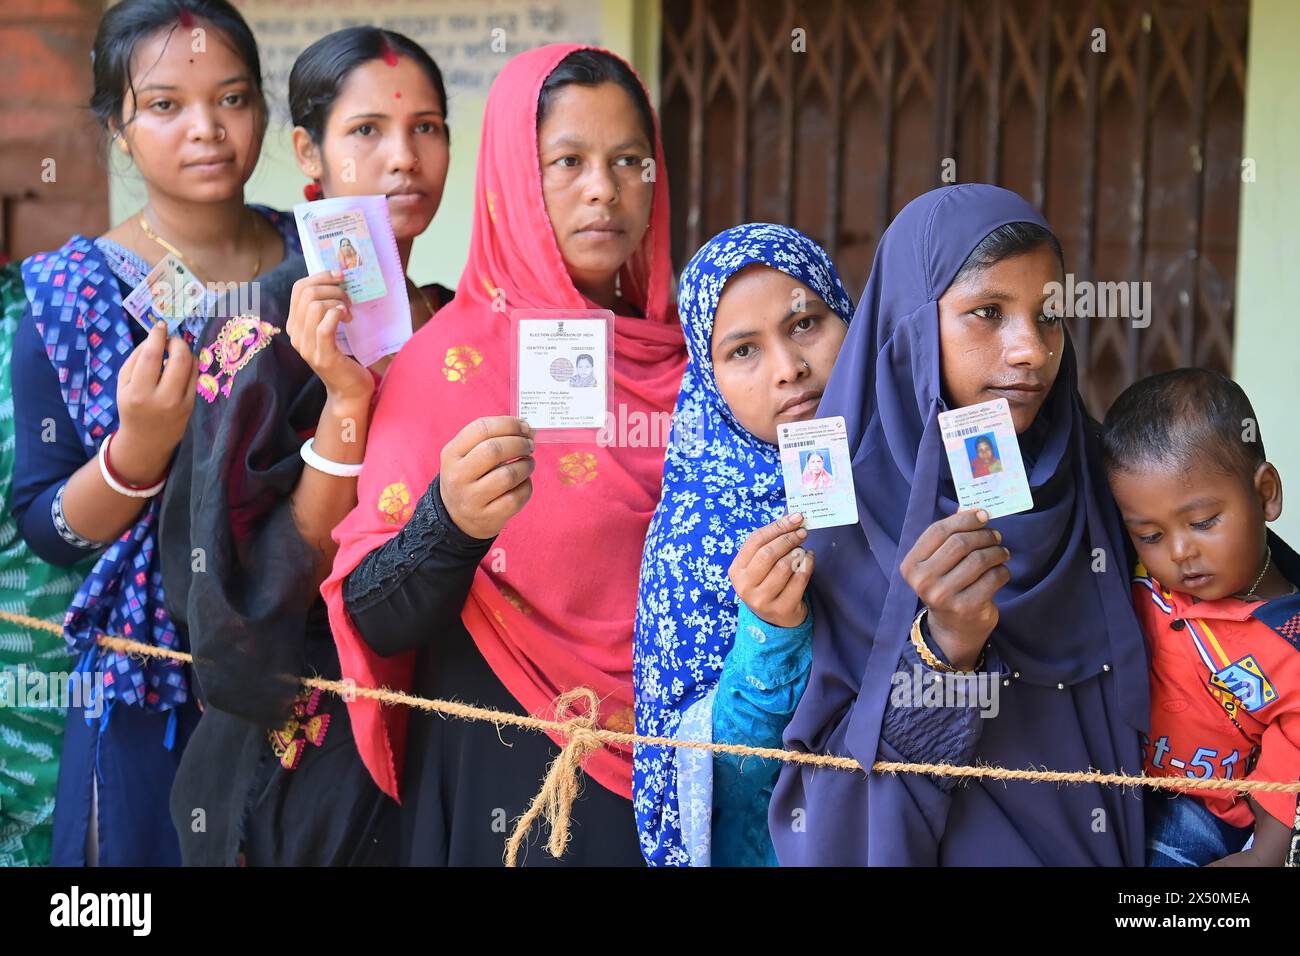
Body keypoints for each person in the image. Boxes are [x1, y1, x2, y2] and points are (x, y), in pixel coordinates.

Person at [321, 45, 686, 865]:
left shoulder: (695, 364)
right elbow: (372, 612)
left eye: (631, 160)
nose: (604, 188)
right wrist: (449, 522)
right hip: (504, 792)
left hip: (684, 787)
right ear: (516, 179)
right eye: (568, 162)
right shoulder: (443, 366)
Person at [768, 184, 1149, 866]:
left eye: (1049, 315)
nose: (1030, 348)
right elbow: (821, 818)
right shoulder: (834, 523)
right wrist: (944, 653)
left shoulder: (1103, 478)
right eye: (988, 313)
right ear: (913, 326)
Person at [10, 0, 297, 866]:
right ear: (118, 130)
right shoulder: (71, 299)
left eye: (233, 99)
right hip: (149, 682)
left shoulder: (323, 261)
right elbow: (46, 528)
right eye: (166, 105)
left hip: (308, 666)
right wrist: (140, 448)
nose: (207, 129)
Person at [158, 26, 454, 866]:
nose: (404, 156)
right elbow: (245, 585)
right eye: (368, 131)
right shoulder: (258, 323)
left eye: (426, 128)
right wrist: (347, 400)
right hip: (304, 748)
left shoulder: (456, 317)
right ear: (306, 151)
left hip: (444, 728)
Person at [633, 222, 853, 866]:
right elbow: (707, 782)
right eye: (742, 351)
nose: (790, 370)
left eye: (806, 323)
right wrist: (769, 635)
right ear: (709, 379)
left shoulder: (919, 472)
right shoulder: (697, 532)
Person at [1102, 368, 1299, 867]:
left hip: (1206, 814)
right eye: (1150, 534)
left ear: (1266, 493)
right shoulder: (1140, 580)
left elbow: (1292, 753)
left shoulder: (1289, 639)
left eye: (1203, 522)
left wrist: (1266, 856)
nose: (1181, 551)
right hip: (1116, 786)